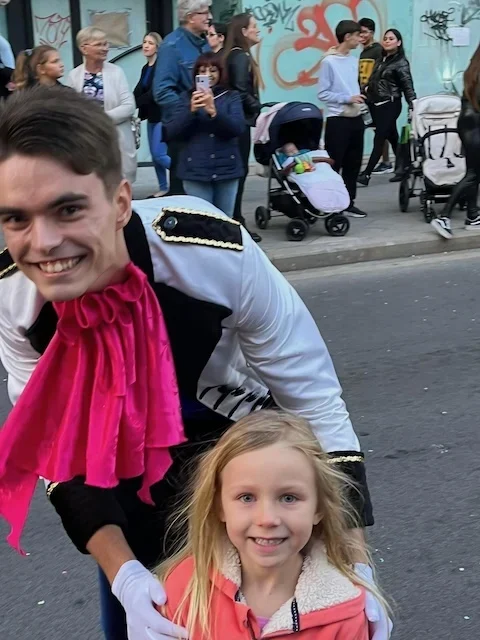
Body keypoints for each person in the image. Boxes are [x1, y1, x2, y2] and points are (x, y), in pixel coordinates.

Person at [0, 86, 387, 640]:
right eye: (15, 218)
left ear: (121, 202)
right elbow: (57, 448)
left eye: (68, 209)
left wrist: (355, 563)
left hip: (234, 441)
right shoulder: (12, 297)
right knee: (152, 613)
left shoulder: (211, 251)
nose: (43, 244)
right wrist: (125, 575)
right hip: (119, 457)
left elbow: (315, 400)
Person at [157, 410, 390, 639]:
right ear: (219, 506)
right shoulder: (185, 587)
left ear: (319, 508)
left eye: (288, 498)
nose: (267, 519)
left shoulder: (346, 614)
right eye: (247, 497)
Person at [164, 52, 245, 217]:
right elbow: (172, 131)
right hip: (195, 170)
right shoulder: (186, 98)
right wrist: (191, 111)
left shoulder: (231, 96)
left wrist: (215, 113)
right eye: (202, 71)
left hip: (226, 169)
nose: (208, 75)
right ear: (196, 75)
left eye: (213, 70)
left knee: (225, 221)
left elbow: (237, 128)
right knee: (201, 221)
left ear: (221, 72)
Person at [153, 0, 211, 196]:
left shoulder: (205, 44)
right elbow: (162, 91)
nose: (209, 17)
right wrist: (190, 109)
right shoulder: (172, 45)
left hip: (207, 128)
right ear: (190, 17)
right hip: (184, 133)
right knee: (184, 197)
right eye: (204, 12)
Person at [67, 26, 137, 185]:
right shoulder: (74, 76)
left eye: (106, 44)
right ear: (84, 48)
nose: (105, 48)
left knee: (118, 184)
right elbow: (71, 109)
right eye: (99, 44)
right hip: (88, 140)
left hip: (114, 138)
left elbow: (129, 106)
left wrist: (100, 118)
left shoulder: (116, 72)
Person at [317, 20, 368, 218]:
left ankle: (349, 203)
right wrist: (347, 98)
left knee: (353, 164)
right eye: (357, 35)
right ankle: (330, 205)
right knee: (334, 164)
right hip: (337, 119)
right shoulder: (328, 62)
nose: (360, 39)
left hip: (356, 116)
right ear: (347, 37)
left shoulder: (354, 60)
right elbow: (323, 93)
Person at [431, 43, 480, 239]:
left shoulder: (472, 70)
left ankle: (473, 216)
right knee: (473, 175)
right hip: (475, 126)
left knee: (474, 171)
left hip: (467, 124)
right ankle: (443, 217)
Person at [357, 29, 416, 187]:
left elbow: (408, 86)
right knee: (392, 137)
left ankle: (366, 174)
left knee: (379, 138)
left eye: (391, 38)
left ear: (399, 42)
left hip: (390, 104)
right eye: (385, 38)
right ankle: (404, 167)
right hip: (376, 104)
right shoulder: (381, 59)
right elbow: (374, 79)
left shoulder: (401, 62)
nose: (387, 41)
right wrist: (366, 89)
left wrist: (413, 105)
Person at [224, 12, 262, 242]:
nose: (258, 30)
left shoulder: (235, 55)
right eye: (254, 26)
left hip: (237, 121)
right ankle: (236, 221)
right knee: (239, 172)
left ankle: (235, 219)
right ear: (244, 31)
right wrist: (257, 107)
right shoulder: (240, 57)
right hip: (239, 123)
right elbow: (240, 91)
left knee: (238, 173)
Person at [134, 32, 170, 198]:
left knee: (159, 154)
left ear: (157, 47)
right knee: (156, 158)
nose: (146, 46)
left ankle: (185, 174)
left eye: (150, 43)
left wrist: (134, 104)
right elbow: (138, 91)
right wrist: (129, 102)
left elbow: (153, 93)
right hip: (151, 117)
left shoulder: (160, 68)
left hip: (162, 115)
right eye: (144, 42)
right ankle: (163, 187)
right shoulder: (145, 68)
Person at [358, 17, 392, 175]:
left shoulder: (378, 50)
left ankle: (386, 162)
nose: (361, 35)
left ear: (371, 32)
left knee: (381, 131)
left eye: (364, 32)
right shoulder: (363, 52)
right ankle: (388, 162)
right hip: (365, 97)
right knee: (378, 130)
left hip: (376, 97)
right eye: (359, 32)